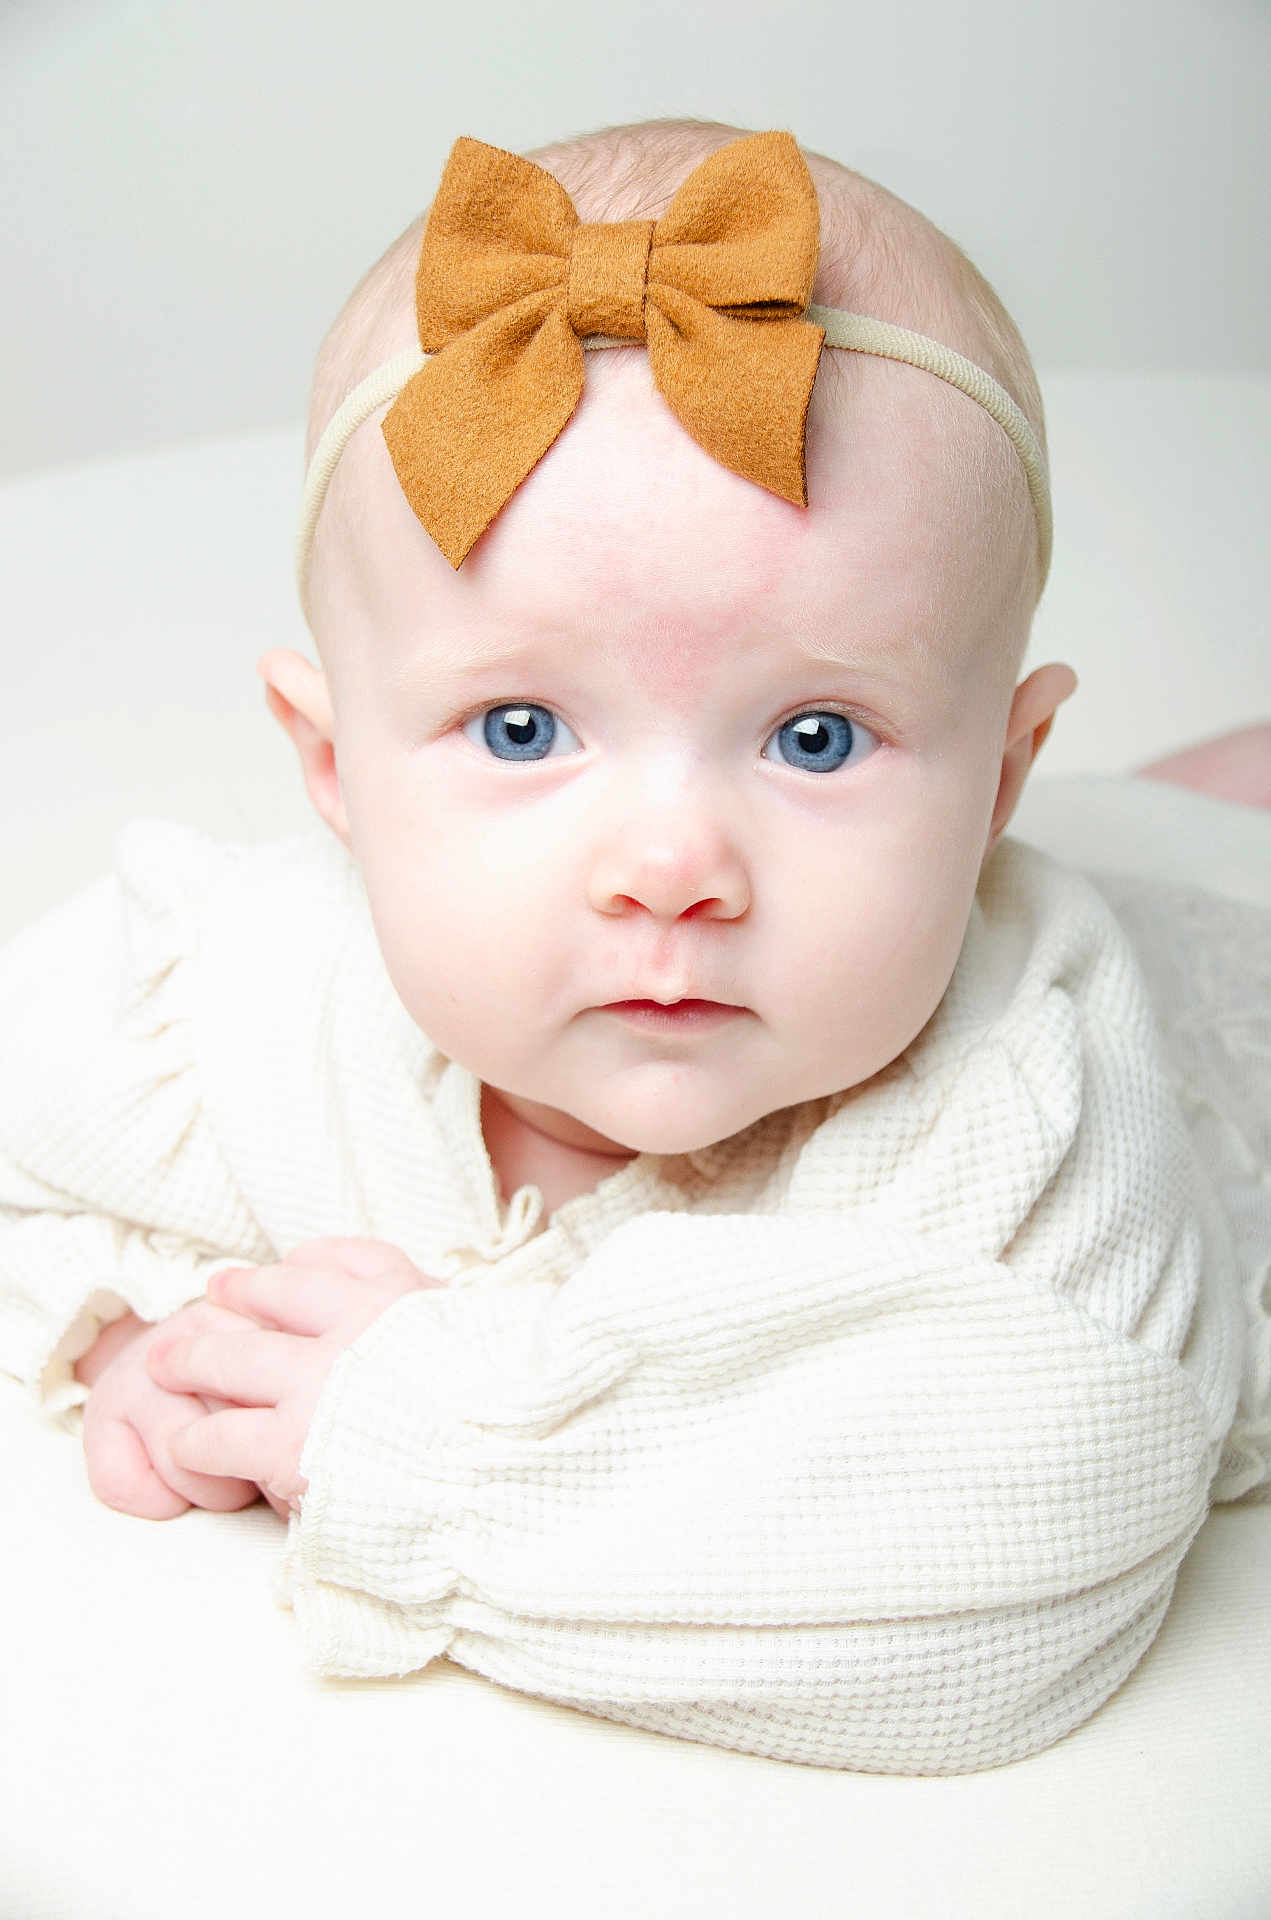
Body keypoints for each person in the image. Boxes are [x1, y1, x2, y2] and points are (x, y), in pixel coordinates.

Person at [1, 121, 1267, 1777]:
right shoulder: (247, 999)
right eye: (522, 726)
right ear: (331, 768)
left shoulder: (1029, 1105)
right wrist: (155, 1340)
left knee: (1208, 846)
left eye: (816, 738)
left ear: (994, 784)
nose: (671, 868)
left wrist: (416, 1443)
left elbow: (1019, 1547)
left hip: (1217, 987)